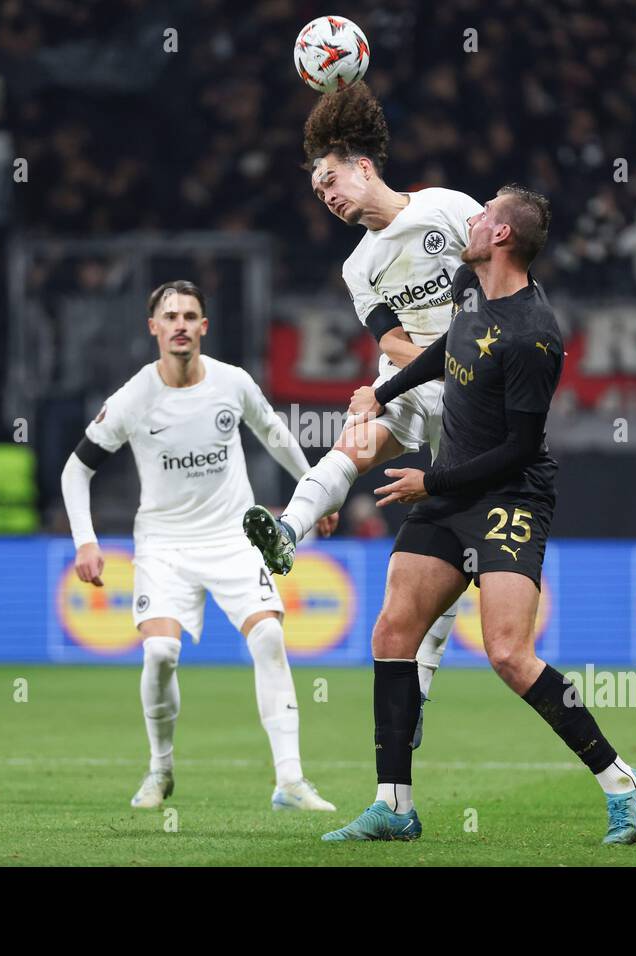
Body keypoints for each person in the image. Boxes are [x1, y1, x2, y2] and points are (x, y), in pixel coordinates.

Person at [324, 186, 636, 844]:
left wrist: (433, 480)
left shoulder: (536, 336)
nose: (469, 220)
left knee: (508, 653)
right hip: (447, 490)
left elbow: (520, 449)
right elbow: (448, 343)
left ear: (502, 236)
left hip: (509, 495)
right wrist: (381, 391)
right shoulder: (467, 288)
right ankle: (394, 804)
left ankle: (622, 780)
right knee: (393, 632)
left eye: (482, 216)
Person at [243, 81, 483, 746]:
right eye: (318, 192)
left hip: (476, 391)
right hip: (418, 379)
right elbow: (390, 341)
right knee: (353, 441)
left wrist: (472, 352)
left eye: (330, 180)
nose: (327, 196)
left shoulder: (445, 209)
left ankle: (421, 694)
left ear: (364, 166)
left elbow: (500, 283)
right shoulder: (359, 265)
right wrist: (425, 362)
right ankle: (287, 534)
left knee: (452, 550)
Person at [61, 280, 337, 812]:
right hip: (164, 544)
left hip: (234, 538)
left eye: (190, 315)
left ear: (203, 327)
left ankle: (290, 782)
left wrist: (316, 494)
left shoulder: (231, 383)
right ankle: (160, 770)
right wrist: (85, 541)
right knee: (161, 652)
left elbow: (275, 435)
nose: (181, 324)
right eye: (171, 316)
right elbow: (76, 469)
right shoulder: (134, 397)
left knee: (269, 641)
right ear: (154, 328)